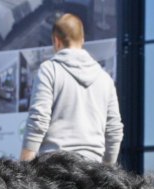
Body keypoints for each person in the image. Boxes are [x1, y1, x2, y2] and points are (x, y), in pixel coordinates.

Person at [20, 13, 123, 164]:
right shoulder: (105, 79)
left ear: (56, 41)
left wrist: (24, 168)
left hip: (54, 171)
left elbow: (38, 119)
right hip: (93, 172)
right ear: (82, 40)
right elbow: (114, 131)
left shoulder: (50, 70)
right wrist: (106, 170)